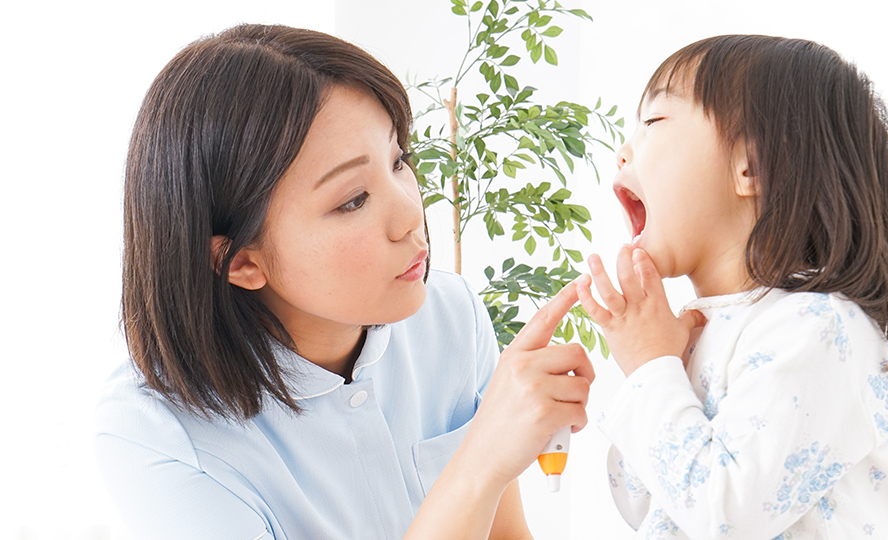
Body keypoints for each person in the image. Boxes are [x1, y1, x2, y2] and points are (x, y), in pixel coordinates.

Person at [95, 23, 594, 540]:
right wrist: (479, 463)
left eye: (398, 161)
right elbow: (478, 480)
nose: (409, 215)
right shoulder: (155, 435)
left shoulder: (450, 316)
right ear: (240, 262)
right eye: (352, 200)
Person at [575, 35, 888, 539]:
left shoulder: (819, 331)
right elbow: (644, 505)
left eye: (654, 122)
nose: (623, 152)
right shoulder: (698, 337)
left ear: (752, 166)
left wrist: (652, 370)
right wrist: (663, 372)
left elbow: (725, 517)